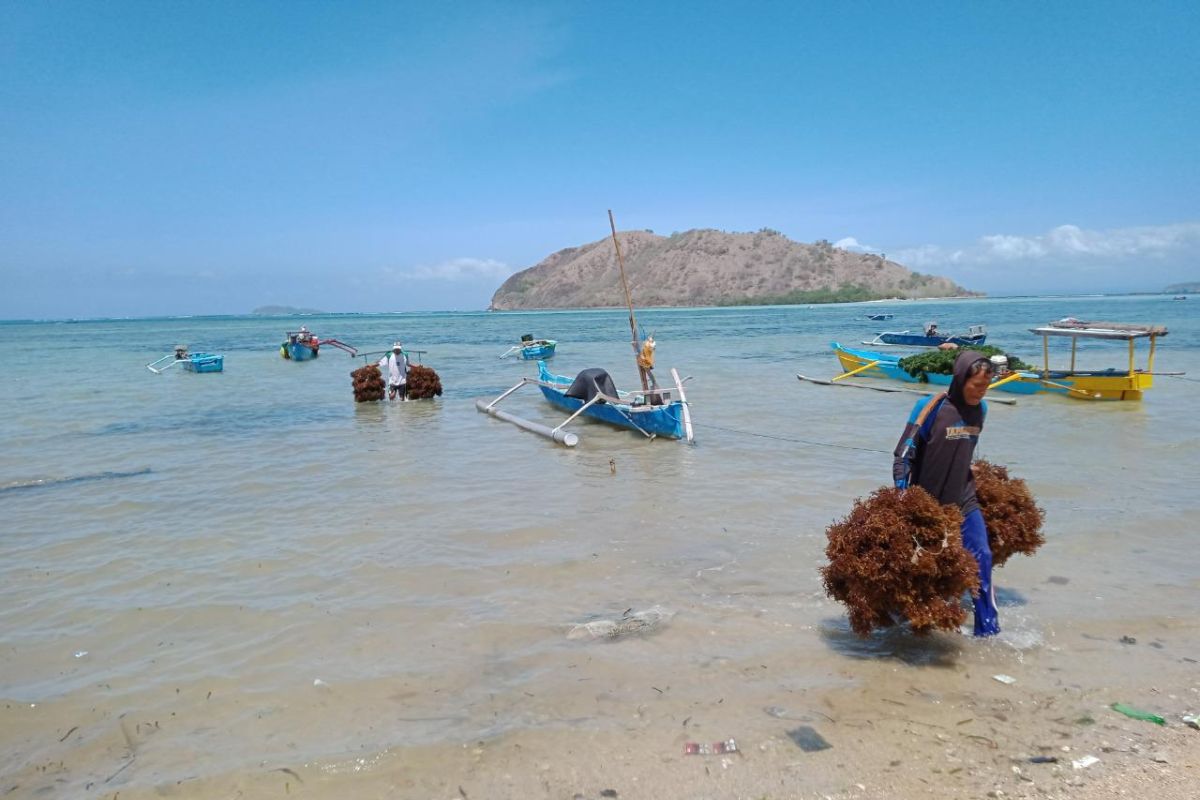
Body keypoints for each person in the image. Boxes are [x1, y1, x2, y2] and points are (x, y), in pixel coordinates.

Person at [892, 351, 1000, 637]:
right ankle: (911, 623)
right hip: (927, 502)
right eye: (976, 385)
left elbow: (965, 447)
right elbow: (903, 455)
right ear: (960, 379)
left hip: (964, 498)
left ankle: (987, 631)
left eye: (986, 386)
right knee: (924, 572)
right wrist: (904, 497)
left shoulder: (982, 410)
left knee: (983, 557)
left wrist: (969, 466)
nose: (981, 392)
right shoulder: (930, 408)